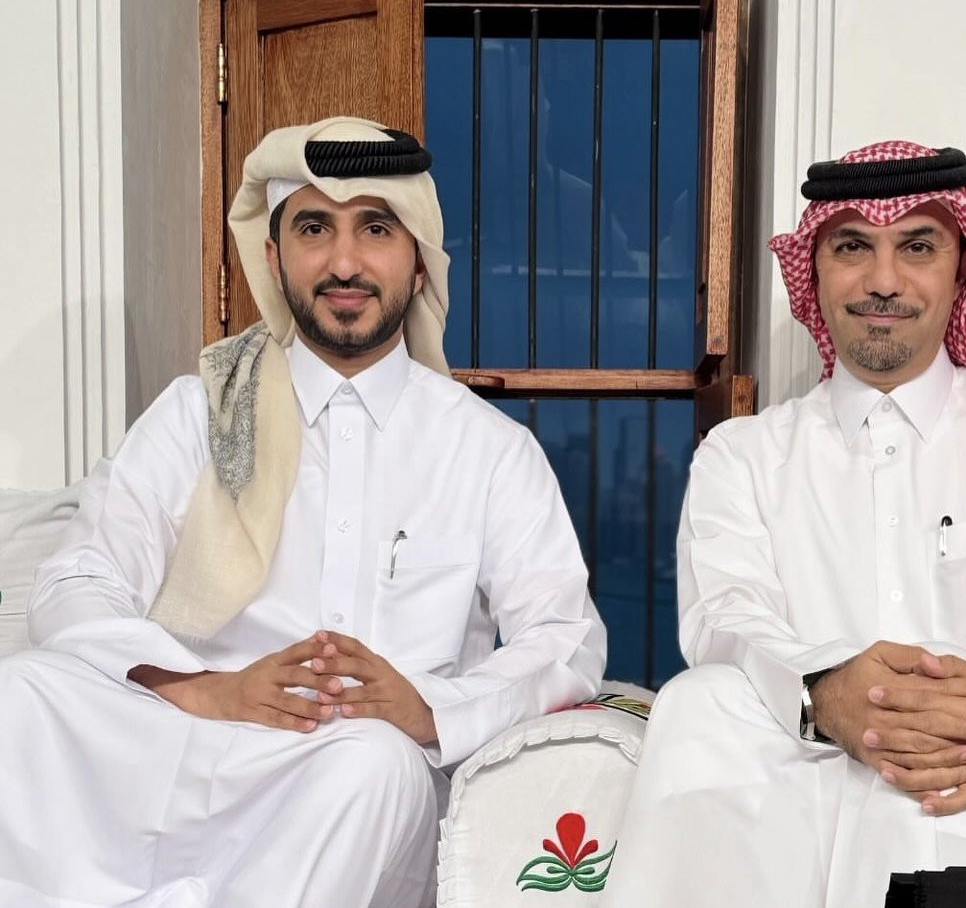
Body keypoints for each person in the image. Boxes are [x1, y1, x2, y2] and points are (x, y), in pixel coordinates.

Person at [0, 117, 606, 908]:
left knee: (373, 763)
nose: (344, 263)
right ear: (272, 255)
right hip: (191, 741)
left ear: (419, 259)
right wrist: (202, 687)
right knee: (26, 690)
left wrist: (429, 708)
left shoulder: (487, 450)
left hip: (348, 780)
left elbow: (565, 637)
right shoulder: (197, 413)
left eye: (375, 229)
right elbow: (78, 576)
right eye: (314, 228)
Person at [603, 141, 966, 908]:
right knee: (702, 703)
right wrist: (825, 692)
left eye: (917, 247)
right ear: (813, 269)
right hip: (794, 766)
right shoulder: (743, 455)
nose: (883, 281)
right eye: (852, 247)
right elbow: (727, 618)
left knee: (919, 797)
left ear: (962, 270)